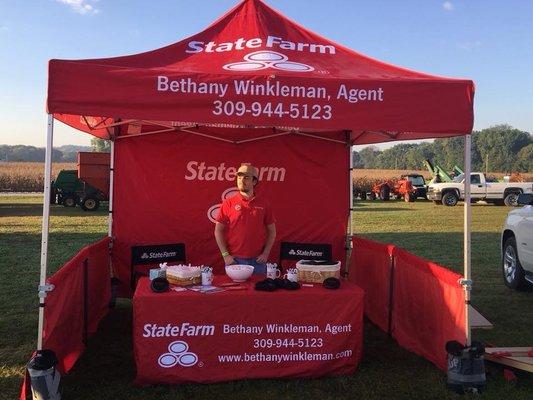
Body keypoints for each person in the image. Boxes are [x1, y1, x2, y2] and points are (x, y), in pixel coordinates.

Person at [214, 163, 276, 275]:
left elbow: (272, 231)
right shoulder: (228, 203)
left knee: (259, 292)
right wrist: (225, 255)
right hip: (235, 261)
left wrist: (266, 253)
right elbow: (218, 230)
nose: (241, 180)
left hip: (258, 261)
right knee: (236, 293)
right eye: (239, 177)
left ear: (254, 181)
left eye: (246, 177)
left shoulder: (264, 203)